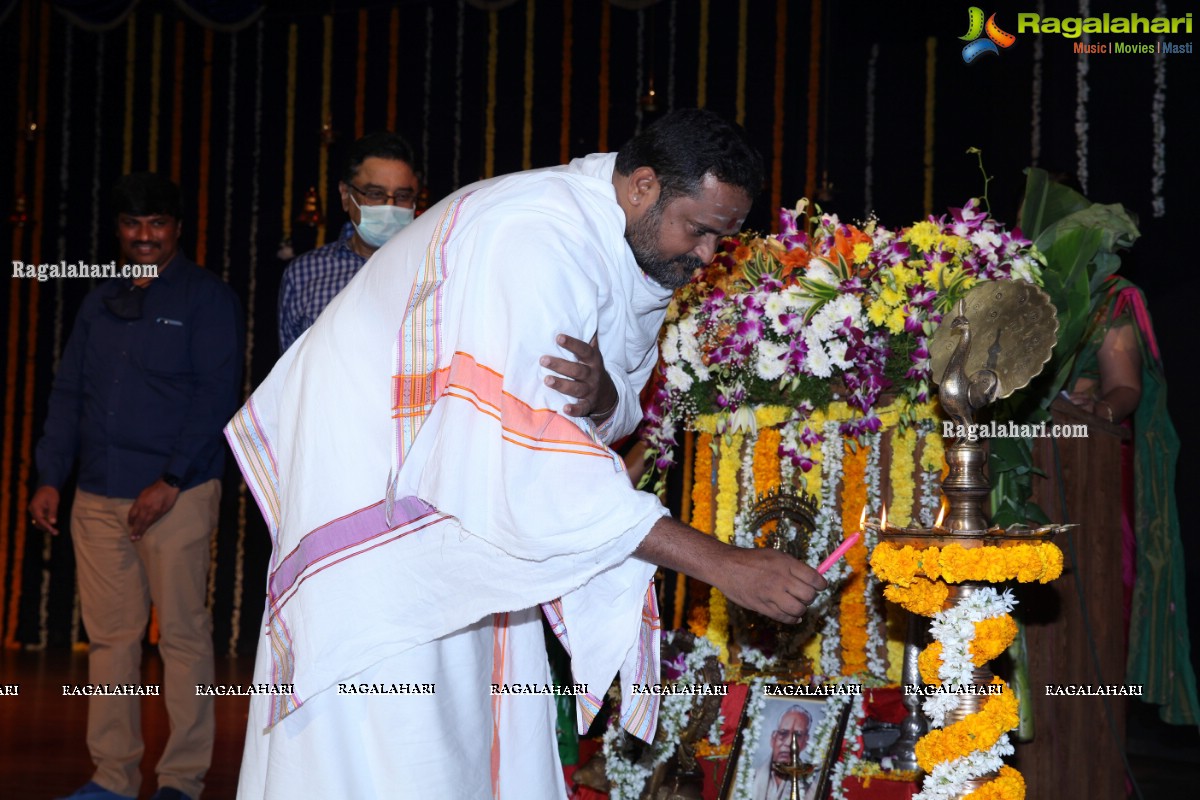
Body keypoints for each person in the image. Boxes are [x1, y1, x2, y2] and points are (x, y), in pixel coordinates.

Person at [226, 108, 827, 799]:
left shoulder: (629, 246)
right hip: (377, 501)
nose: (707, 255)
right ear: (642, 186)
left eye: (723, 236)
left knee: (480, 726)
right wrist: (723, 564)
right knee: (395, 733)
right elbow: (536, 457)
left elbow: (604, 405)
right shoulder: (533, 238)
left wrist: (605, 397)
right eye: (700, 230)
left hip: (463, 497)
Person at [30, 173, 243, 800]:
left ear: (177, 228)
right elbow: (69, 392)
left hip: (175, 495)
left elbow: (215, 399)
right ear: (119, 231)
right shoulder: (100, 298)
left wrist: (171, 479)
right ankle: (113, 778)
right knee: (111, 643)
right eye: (132, 224)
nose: (144, 236)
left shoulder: (208, 299)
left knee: (181, 635)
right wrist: (50, 476)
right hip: (96, 495)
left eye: (156, 223)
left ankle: (181, 779)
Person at [1067, 275, 1200, 726]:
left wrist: (1096, 411)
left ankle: (1101, 743)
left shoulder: (1106, 300)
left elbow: (1124, 389)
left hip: (1090, 465)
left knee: (1104, 608)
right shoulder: (1012, 285)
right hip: (1030, 463)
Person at [277, 131, 420, 352]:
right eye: (375, 194)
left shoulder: (437, 270)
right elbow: (291, 374)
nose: (389, 207)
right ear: (345, 194)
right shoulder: (306, 273)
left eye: (402, 196)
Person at [753, 705, 817, 800]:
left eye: (798, 735)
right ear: (773, 738)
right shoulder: (750, 778)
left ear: (805, 742)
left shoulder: (811, 788)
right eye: (783, 733)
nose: (788, 743)